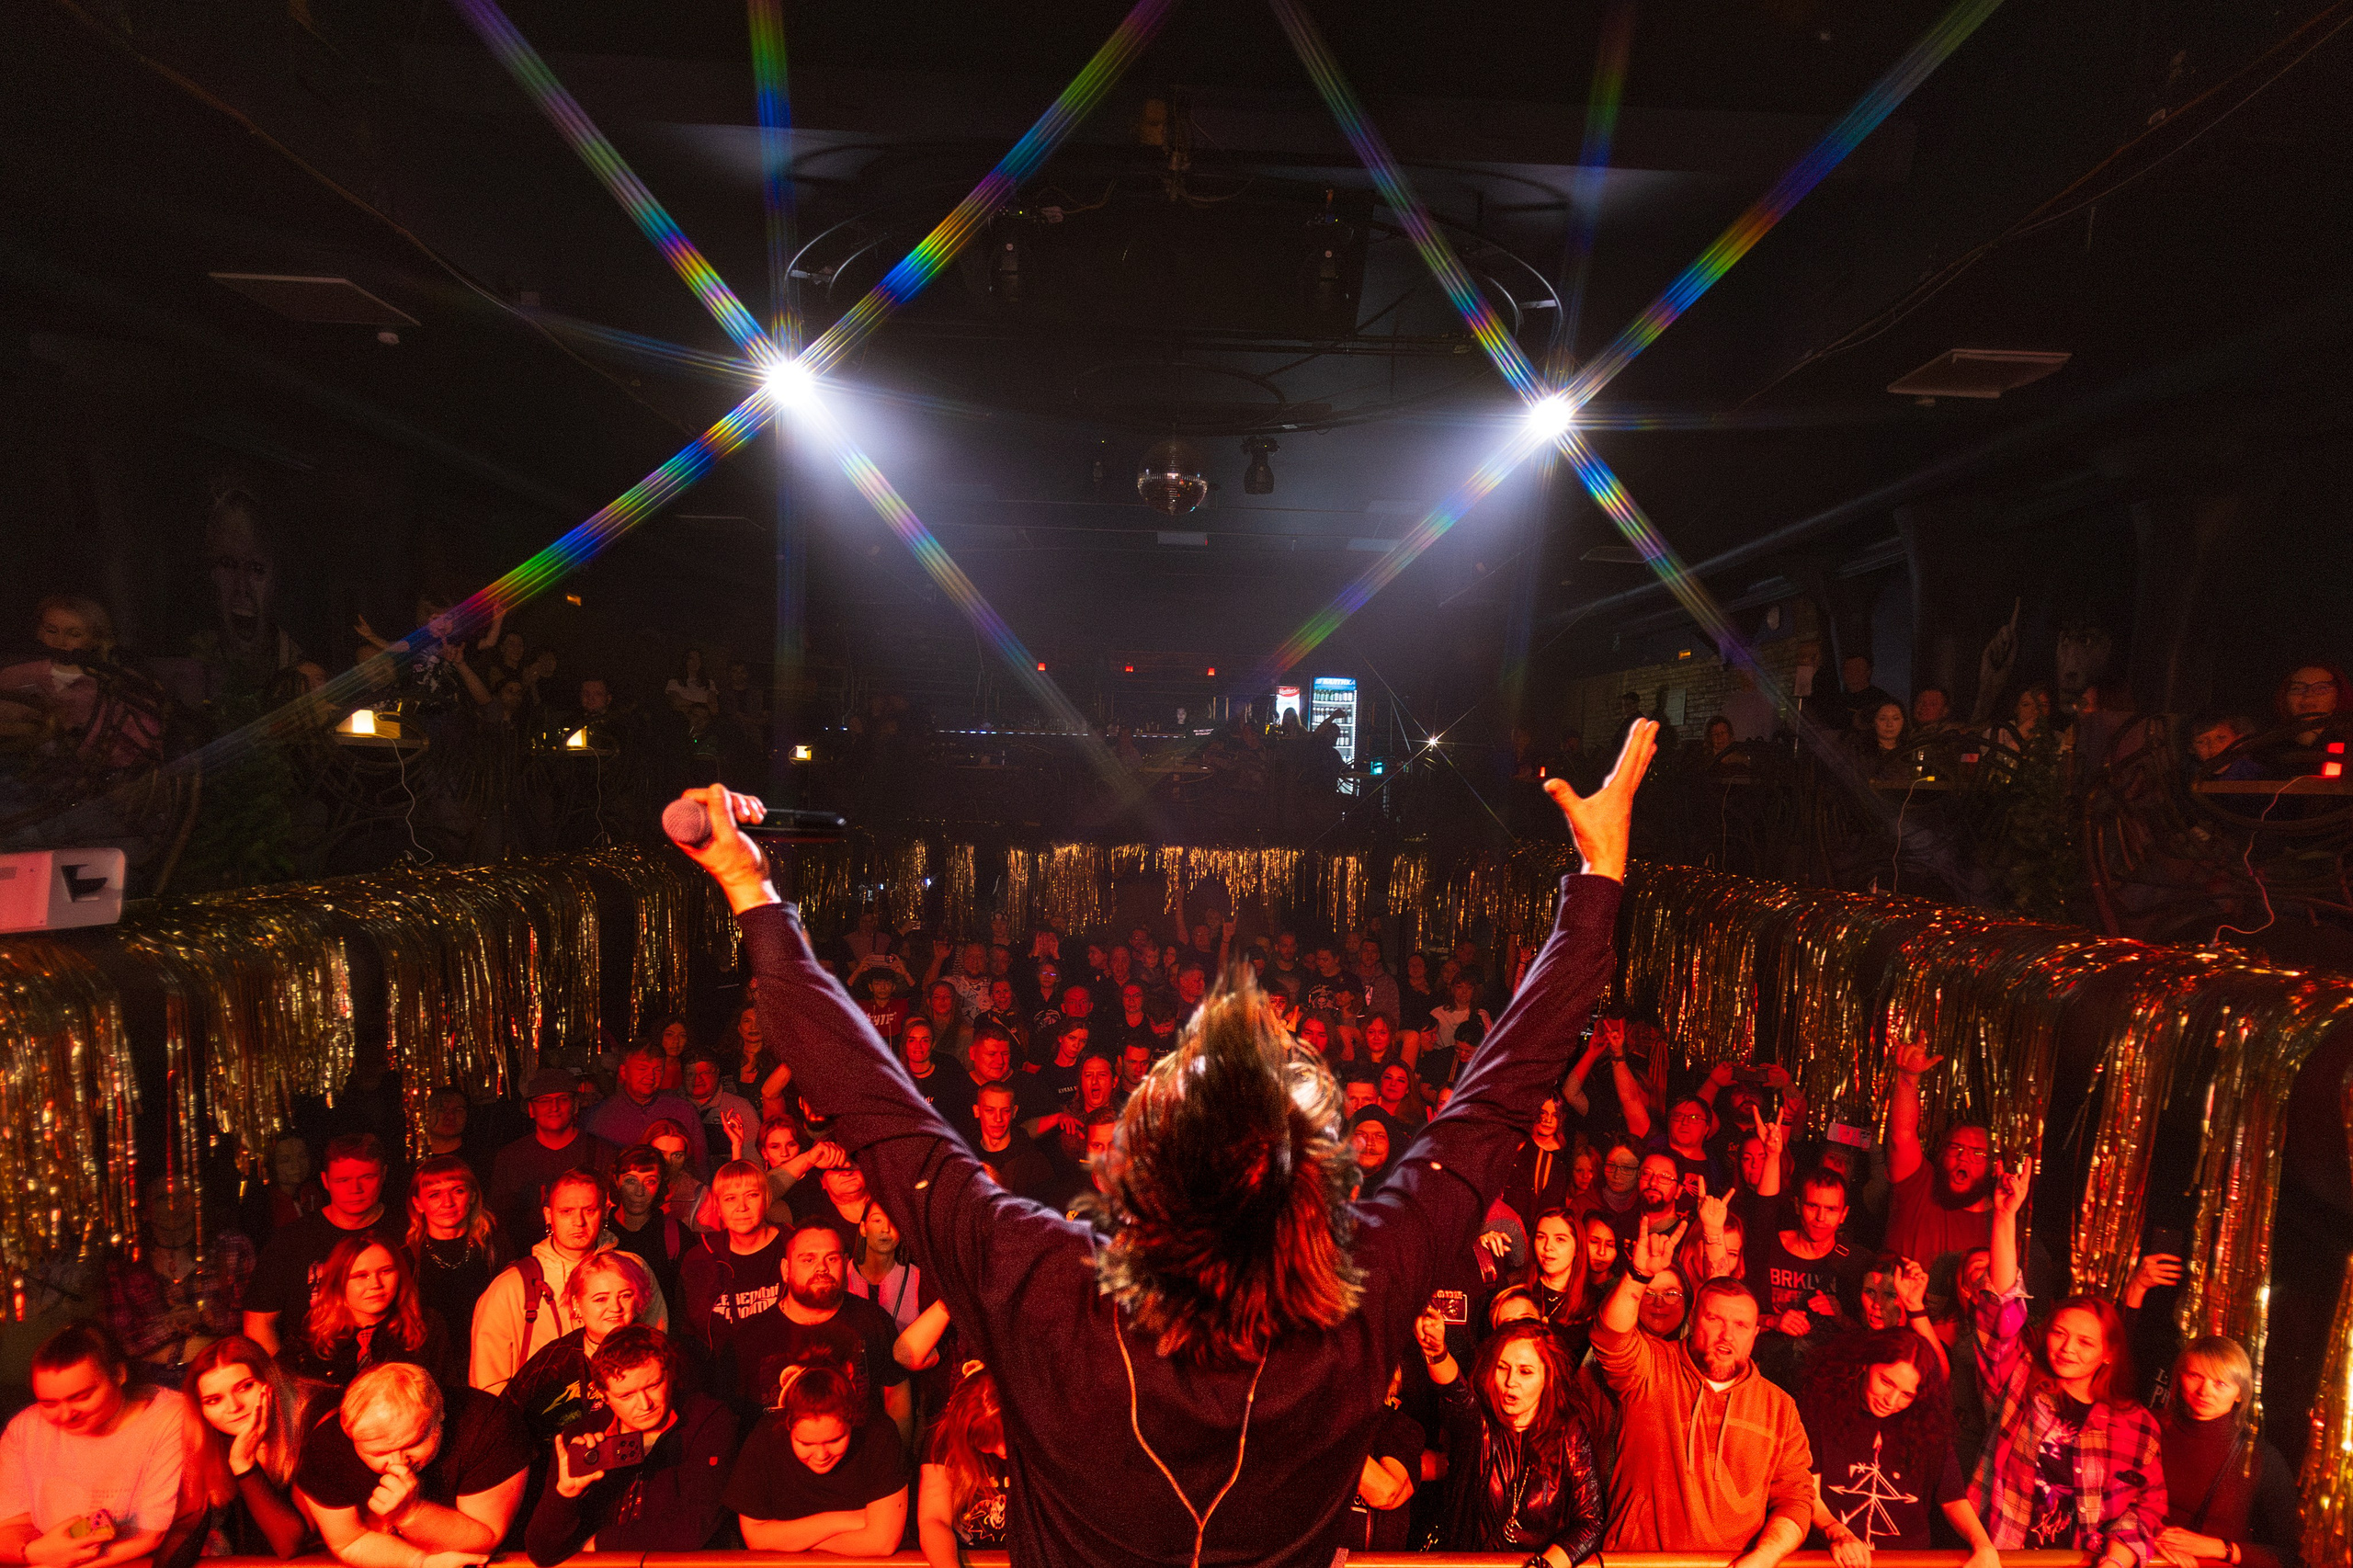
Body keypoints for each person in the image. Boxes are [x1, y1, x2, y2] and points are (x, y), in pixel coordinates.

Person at [668, 718, 1659, 1567]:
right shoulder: (1361, 1291)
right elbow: (1496, 1100)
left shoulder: (1044, 1283)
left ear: (1137, 1169)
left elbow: (872, 1104)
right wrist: (1596, 881)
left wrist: (752, 890)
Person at [1970, 1157, 2165, 1565]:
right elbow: (2000, 1306)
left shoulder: (2136, 1424)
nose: (2067, 1348)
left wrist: (2118, 1557)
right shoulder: (2020, 1380)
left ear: (2108, 1354)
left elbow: (2147, 1507)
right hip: (2006, 1553)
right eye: (2059, 1333)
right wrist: (2005, 1217)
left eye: (2084, 1342)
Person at [1591, 1220, 1815, 1563]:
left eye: (1740, 1325)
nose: (1727, 1335)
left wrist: (1760, 1559)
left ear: (1756, 1334)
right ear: (1694, 1318)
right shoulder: (1652, 1366)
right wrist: (1637, 1276)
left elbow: (1796, 1500)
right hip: (1636, 1563)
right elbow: (1611, 1338)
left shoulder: (1779, 1408)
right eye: (1715, 1319)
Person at [524, 1324, 738, 1562]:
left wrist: (602, 1541)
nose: (645, 1404)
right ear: (603, 1395)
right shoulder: (582, 1436)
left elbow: (693, 1527)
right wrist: (566, 1494)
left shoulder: (707, 1419)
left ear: (671, 1373)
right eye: (626, 1395)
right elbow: (542, 1552)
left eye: (653, 1385)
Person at [292, 1360, 531, 1568]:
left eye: (414, 1443)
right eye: (379, 1452)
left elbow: (486, 1539)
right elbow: (349, 1541)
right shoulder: (327, 1446)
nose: (399, 1463)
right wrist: (421, 1563)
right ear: (350, 1435)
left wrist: (410, 1513)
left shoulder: (489, 1425)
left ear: (440, 1415)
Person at [1797, 1328, 1999, 1566]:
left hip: (1907, 1561)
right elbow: (1808, 1492)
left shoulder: (1927, 1425)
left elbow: (1953, 1499)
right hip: (1835, 1561)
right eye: (1886, 1382)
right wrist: (1838, 1533)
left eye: (1906, 1394)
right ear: (1866, 1363)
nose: (1890, 1401)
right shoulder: (1821, 1412)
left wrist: (1983, 1545)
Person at [0, 1324, 190, 1568]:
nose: (66, 1415)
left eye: (81, 1397)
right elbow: (11, 1527)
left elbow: (152, 1534)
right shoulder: (25, 1428)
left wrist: (62, 1563)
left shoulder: (170, 1417)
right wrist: (32, 1553)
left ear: (119, 1375)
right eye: (48, 1403)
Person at [1419, 1314, 1603, 1564]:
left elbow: (1590, 1521)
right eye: (1502, 1368)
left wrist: (1545, 1565)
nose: (1510, 1382)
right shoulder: (1480, 1423)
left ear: (1548, 1377)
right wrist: (1437, 1352)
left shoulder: (1568, 1433)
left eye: (1525, 1372)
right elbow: (1455, 1392)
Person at [472, 1169, 666, 1395]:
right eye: (566, 1211)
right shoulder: (512, 1285)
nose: (579, 1222)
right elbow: (487, 1385)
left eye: (589, 1210)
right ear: (548, 1215)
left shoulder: (633, 1268)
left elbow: (658, 1347)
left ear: (604, 1212)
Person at [730, 1222, 912, 1444]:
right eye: (808, 1260)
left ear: (845, 1264)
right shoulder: (751, 1339)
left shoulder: (872, 1320)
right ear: (786, 1270)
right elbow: (736, 1424)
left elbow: (897, 1395)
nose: (821, 1268)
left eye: (832, 1258)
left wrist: (896, 1456)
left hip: (862, 1465)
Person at [244, 1134, 405, 1358]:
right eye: (343, 1180)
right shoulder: (291, 1240)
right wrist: (288, 1385)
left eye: (367, 1177)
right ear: (325, 1181)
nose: (355, 1189)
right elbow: (258, 1322)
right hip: (313, 1378)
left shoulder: (409, 1230)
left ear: (384, 1175)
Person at [723, 1359, 908, 1555]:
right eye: (806, 1443)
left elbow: (882, 1543)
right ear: (787, 1427)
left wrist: (794, 1543)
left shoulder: (878, 1434)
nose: (821, 1455)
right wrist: (850, 1520)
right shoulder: (766, 1438)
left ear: (852, 1420)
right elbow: (756, 1538)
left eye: (835, 1440)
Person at [2154, 1336, 2304, 1568]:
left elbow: (2289, 1557)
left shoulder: (2259, 1458)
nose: (2205, 1391)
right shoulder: (2147, 1427)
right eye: (2195, 1376)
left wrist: (2217, 1548)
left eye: (2221, 1383)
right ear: (2178, 1377)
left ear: (2240, 1393)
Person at [182, 1336, 327, 1557]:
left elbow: (291, 1545)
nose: (234, 1407)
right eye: (214, 1400)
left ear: (269, 1381)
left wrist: (243, 1463)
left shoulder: (313, 1420)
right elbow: (184, 1529)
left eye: (245, 1387)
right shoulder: (210, 1436)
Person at [105, 1178, 254, 1390]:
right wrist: (172, 1324)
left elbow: (249, 1322)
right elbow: (122, 1341)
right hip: (152, 1384)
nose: (174, 1205)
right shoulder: (125, 1264)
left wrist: (203, 1317)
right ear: (144, 1210)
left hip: (222, 1375)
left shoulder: (231, 1247)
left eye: (183, 1195)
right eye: (162, 1198)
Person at [504, 1249, 660, 1445]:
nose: (616, 1307)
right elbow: (501, 1427)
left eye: (625, 1295)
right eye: (601, 1299)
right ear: (577, 1304)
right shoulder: (551, 1365)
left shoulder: (660, 1351)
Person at [1882, 1039, 1994, 1297]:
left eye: (1977, 1153)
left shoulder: (2000, 1225)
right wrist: (1908, 1078)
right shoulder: (1919, 1185)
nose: (1964, 1158)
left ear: (1993, 1165)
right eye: (1956, 1148)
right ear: (1942, 1154)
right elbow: (1902, 1134)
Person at [282, 1235, 452, 1391]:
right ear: (339, 1282)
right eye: (361, 1276)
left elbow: (451, 1393)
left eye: (386, 1271)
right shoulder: (310, 1335)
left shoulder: (426, 1325)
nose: (376, 1284)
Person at [489, 1069, 617, 1251]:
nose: (554, 1107)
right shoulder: (511, 1157)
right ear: (531, 1109)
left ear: (575, 1105)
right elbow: (498, 1220)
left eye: (563, 1099)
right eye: (544, 1101)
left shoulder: (601, 1152)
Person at [404, 1158, 506, 1343]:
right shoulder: (409, 1257)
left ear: (473, 1195)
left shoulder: (495, 1246)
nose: (447, 1202)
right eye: (434, 1195)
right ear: (418, 1204)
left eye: (458, 1191)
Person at [916, 1367, 1009, 1564]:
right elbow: (934, 1519)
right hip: (968, 1558)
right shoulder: (943, 1438)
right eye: (988, 1442)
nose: (1003, 1451)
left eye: (1007, 1438)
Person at [585, 1044, 710, 1179]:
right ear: (623, 1072)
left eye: (657, 1070)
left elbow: (700, 1168)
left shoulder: (683, 1111)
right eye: (642, 1069)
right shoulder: (598, 1115)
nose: (650, 1076)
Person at [608, 1143, 689, 1302]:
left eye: (650, 1181)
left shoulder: (675, 1234)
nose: (639, 1192)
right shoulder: (599, 1230)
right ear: (616, 1180)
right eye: (631, 1181)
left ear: (660, 1184)